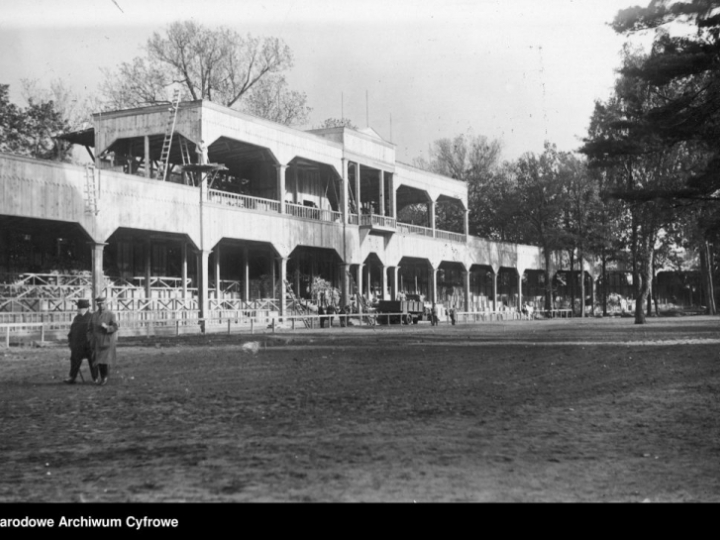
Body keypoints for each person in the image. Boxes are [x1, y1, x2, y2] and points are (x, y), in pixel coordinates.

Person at [87, 296, 119, 386]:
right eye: (99, 304)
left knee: (103, 360)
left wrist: (107, 327)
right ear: (97, 304)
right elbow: (89, 329)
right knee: (99, 361)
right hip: (97, 342)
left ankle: (104, 378)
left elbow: (115, 327)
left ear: (106, 303)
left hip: (107, 341)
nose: (101, 305)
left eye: (103, 303)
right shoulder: (94, 315)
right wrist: (90, 339)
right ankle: (103, 377)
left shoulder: (111, 315)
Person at [65, 299, 98, 384]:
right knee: (74, 360)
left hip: (89, 345)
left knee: (93, 361)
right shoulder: (77, 318)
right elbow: (72, 331)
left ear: (85, 308)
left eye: (79, 308)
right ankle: (72, 377)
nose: (78, 309)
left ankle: (96, 378)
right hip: (78, 345)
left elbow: (95, 332)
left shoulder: (92, 317)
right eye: (78, 308)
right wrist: (70, 342)